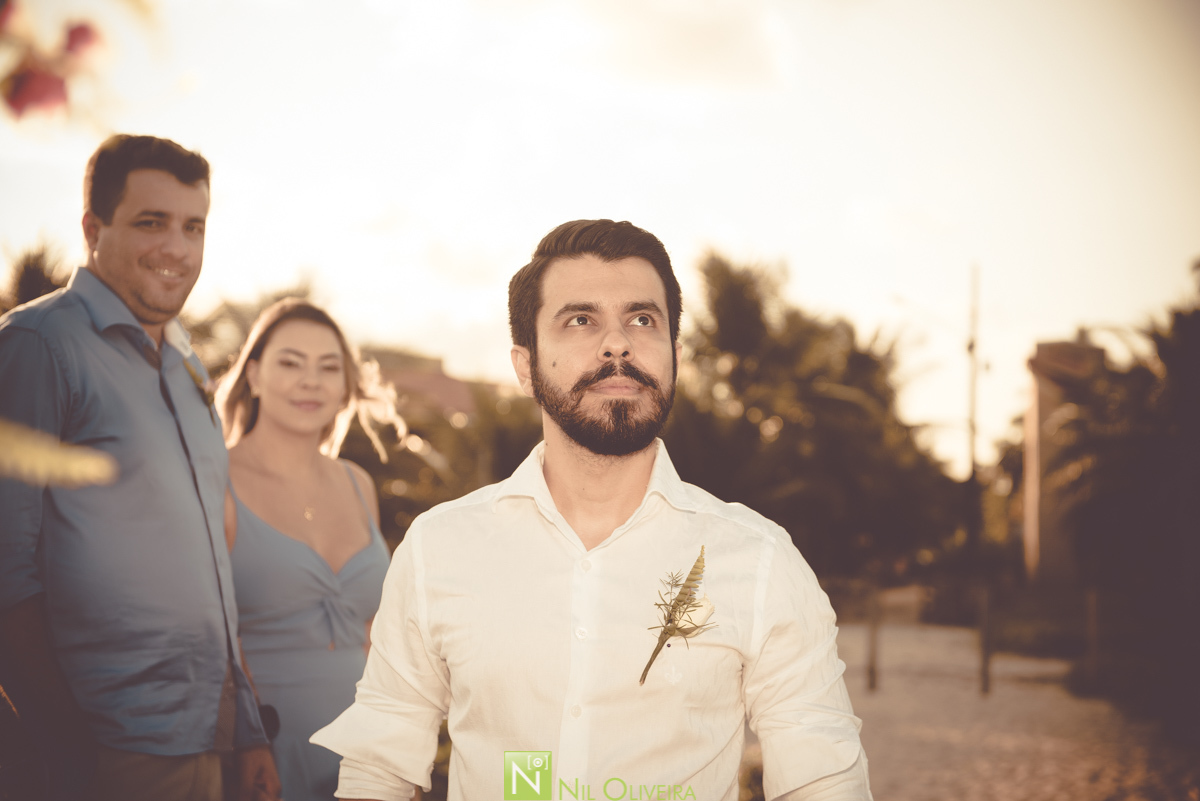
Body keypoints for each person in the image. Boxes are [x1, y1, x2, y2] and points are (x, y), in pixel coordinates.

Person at [311, 219, 873, 800]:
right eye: (581, 320)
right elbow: (380, 763)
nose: (618, 344)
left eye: (642, 319)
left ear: (674, 356)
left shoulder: (759, 562)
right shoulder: (438, 549)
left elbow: (822, 777)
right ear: (526, 367)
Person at [0, 134, 279, 801]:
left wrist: (245, 729)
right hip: (108, 749)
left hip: (206, 740)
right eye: (151, 222)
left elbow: (211, 569)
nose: (177, 249)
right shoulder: (38, 345)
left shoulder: (187, 369)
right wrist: (67, 746)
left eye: (193, 227)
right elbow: (6, 565)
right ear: (93, 228)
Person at [215, 298, 398, 801]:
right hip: (266, 751)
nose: (310, 381)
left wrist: (395, 744)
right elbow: (207, 634)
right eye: (290, 363)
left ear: (345, 387)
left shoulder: (359, 484)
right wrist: (248, 742)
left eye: (328, 367)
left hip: (365, 752)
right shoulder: (215, 481)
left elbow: (372, 636)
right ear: (254, 374)